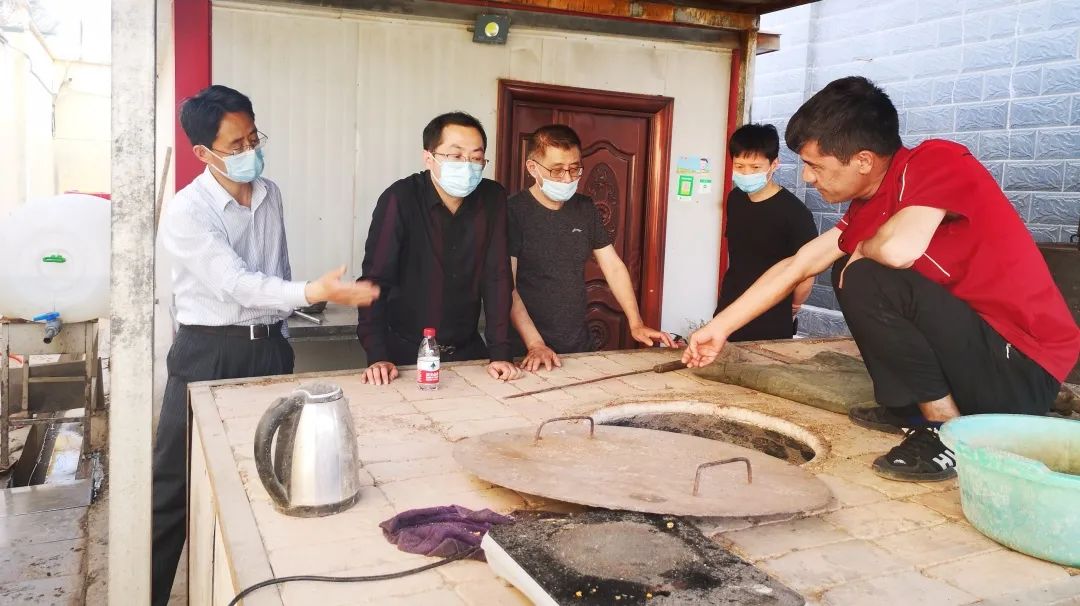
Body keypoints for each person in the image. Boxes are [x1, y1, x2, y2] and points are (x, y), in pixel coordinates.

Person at [682, 76, 1080, 482]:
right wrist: (719, 328)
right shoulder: (870, 204)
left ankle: (946, 431)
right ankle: (908, 409)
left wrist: (862, 248)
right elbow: (797, 265)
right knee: (847, 270)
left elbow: (898, 250)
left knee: (864, 274)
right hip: (980, 357)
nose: (808, 178)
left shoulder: (937, 160)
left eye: (816, 166)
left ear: (863, 160)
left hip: (1021, 368)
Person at [154, 85, 380, 605]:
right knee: (174, 487)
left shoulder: (269, 193)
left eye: (254, 138)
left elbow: (274, 269)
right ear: (203, 153)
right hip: (208, 353)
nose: (249, 151)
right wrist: (313, 291)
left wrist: (294, 313)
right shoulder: (188, 212)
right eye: (236, 145)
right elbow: (235, 283)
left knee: (269, 473)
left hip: (270, 351)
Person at [357, 112, 521, 384]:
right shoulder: (400, 198)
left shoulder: (492, 198)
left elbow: (497, 278)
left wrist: (500, 353)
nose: (467, 165)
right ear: (429, 157)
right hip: (404, 355)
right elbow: (374, 281)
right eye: (456, 156)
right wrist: (377, 355)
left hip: (468, 350)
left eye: (476, 158)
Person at [508, 124, 674, 372]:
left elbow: (613, 267)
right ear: (533, 168)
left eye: (574, 169)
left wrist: (636, 322)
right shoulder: (512, 211)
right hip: (525, 350)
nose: (567, 178)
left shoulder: (585, 208)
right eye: (557, 170)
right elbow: (506, 286)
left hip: (577, 344)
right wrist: (535, 344)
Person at [717, 123, 817, 341]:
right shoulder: (735, 199)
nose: (746, 173)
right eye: (739, 166)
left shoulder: (796, 213)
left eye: (755, 167)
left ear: (774, 164)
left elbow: (807, 274)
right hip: (730, 305)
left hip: (771, 311)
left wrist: (794, 306)